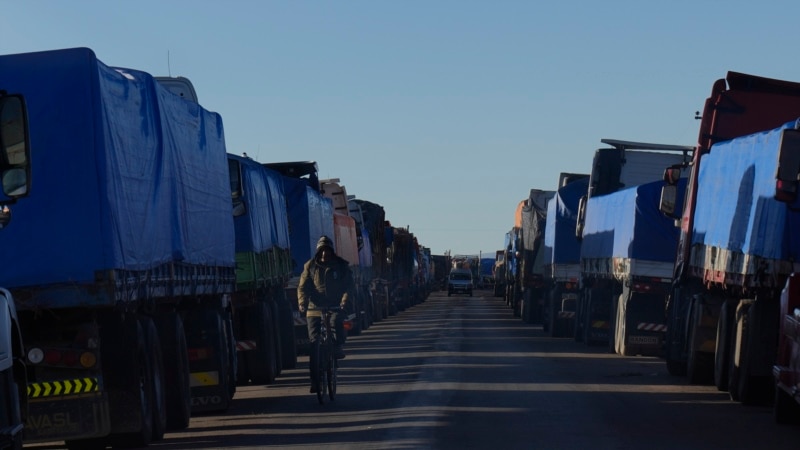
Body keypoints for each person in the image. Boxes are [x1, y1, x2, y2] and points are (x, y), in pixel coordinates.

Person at [297, 235, 354, 391]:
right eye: (322, 251)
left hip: (335, 306)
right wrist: (302, 303)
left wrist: (344, 301)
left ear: (331, 252)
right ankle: (315, 381)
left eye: (327, 251)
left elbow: (349, 286)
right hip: (315, 308)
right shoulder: (310, 266)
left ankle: (336, 347)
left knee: (336, 323)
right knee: (314, 343)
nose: (324, 254)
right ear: (318, 252)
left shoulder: (341, 266)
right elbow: (302, 287)